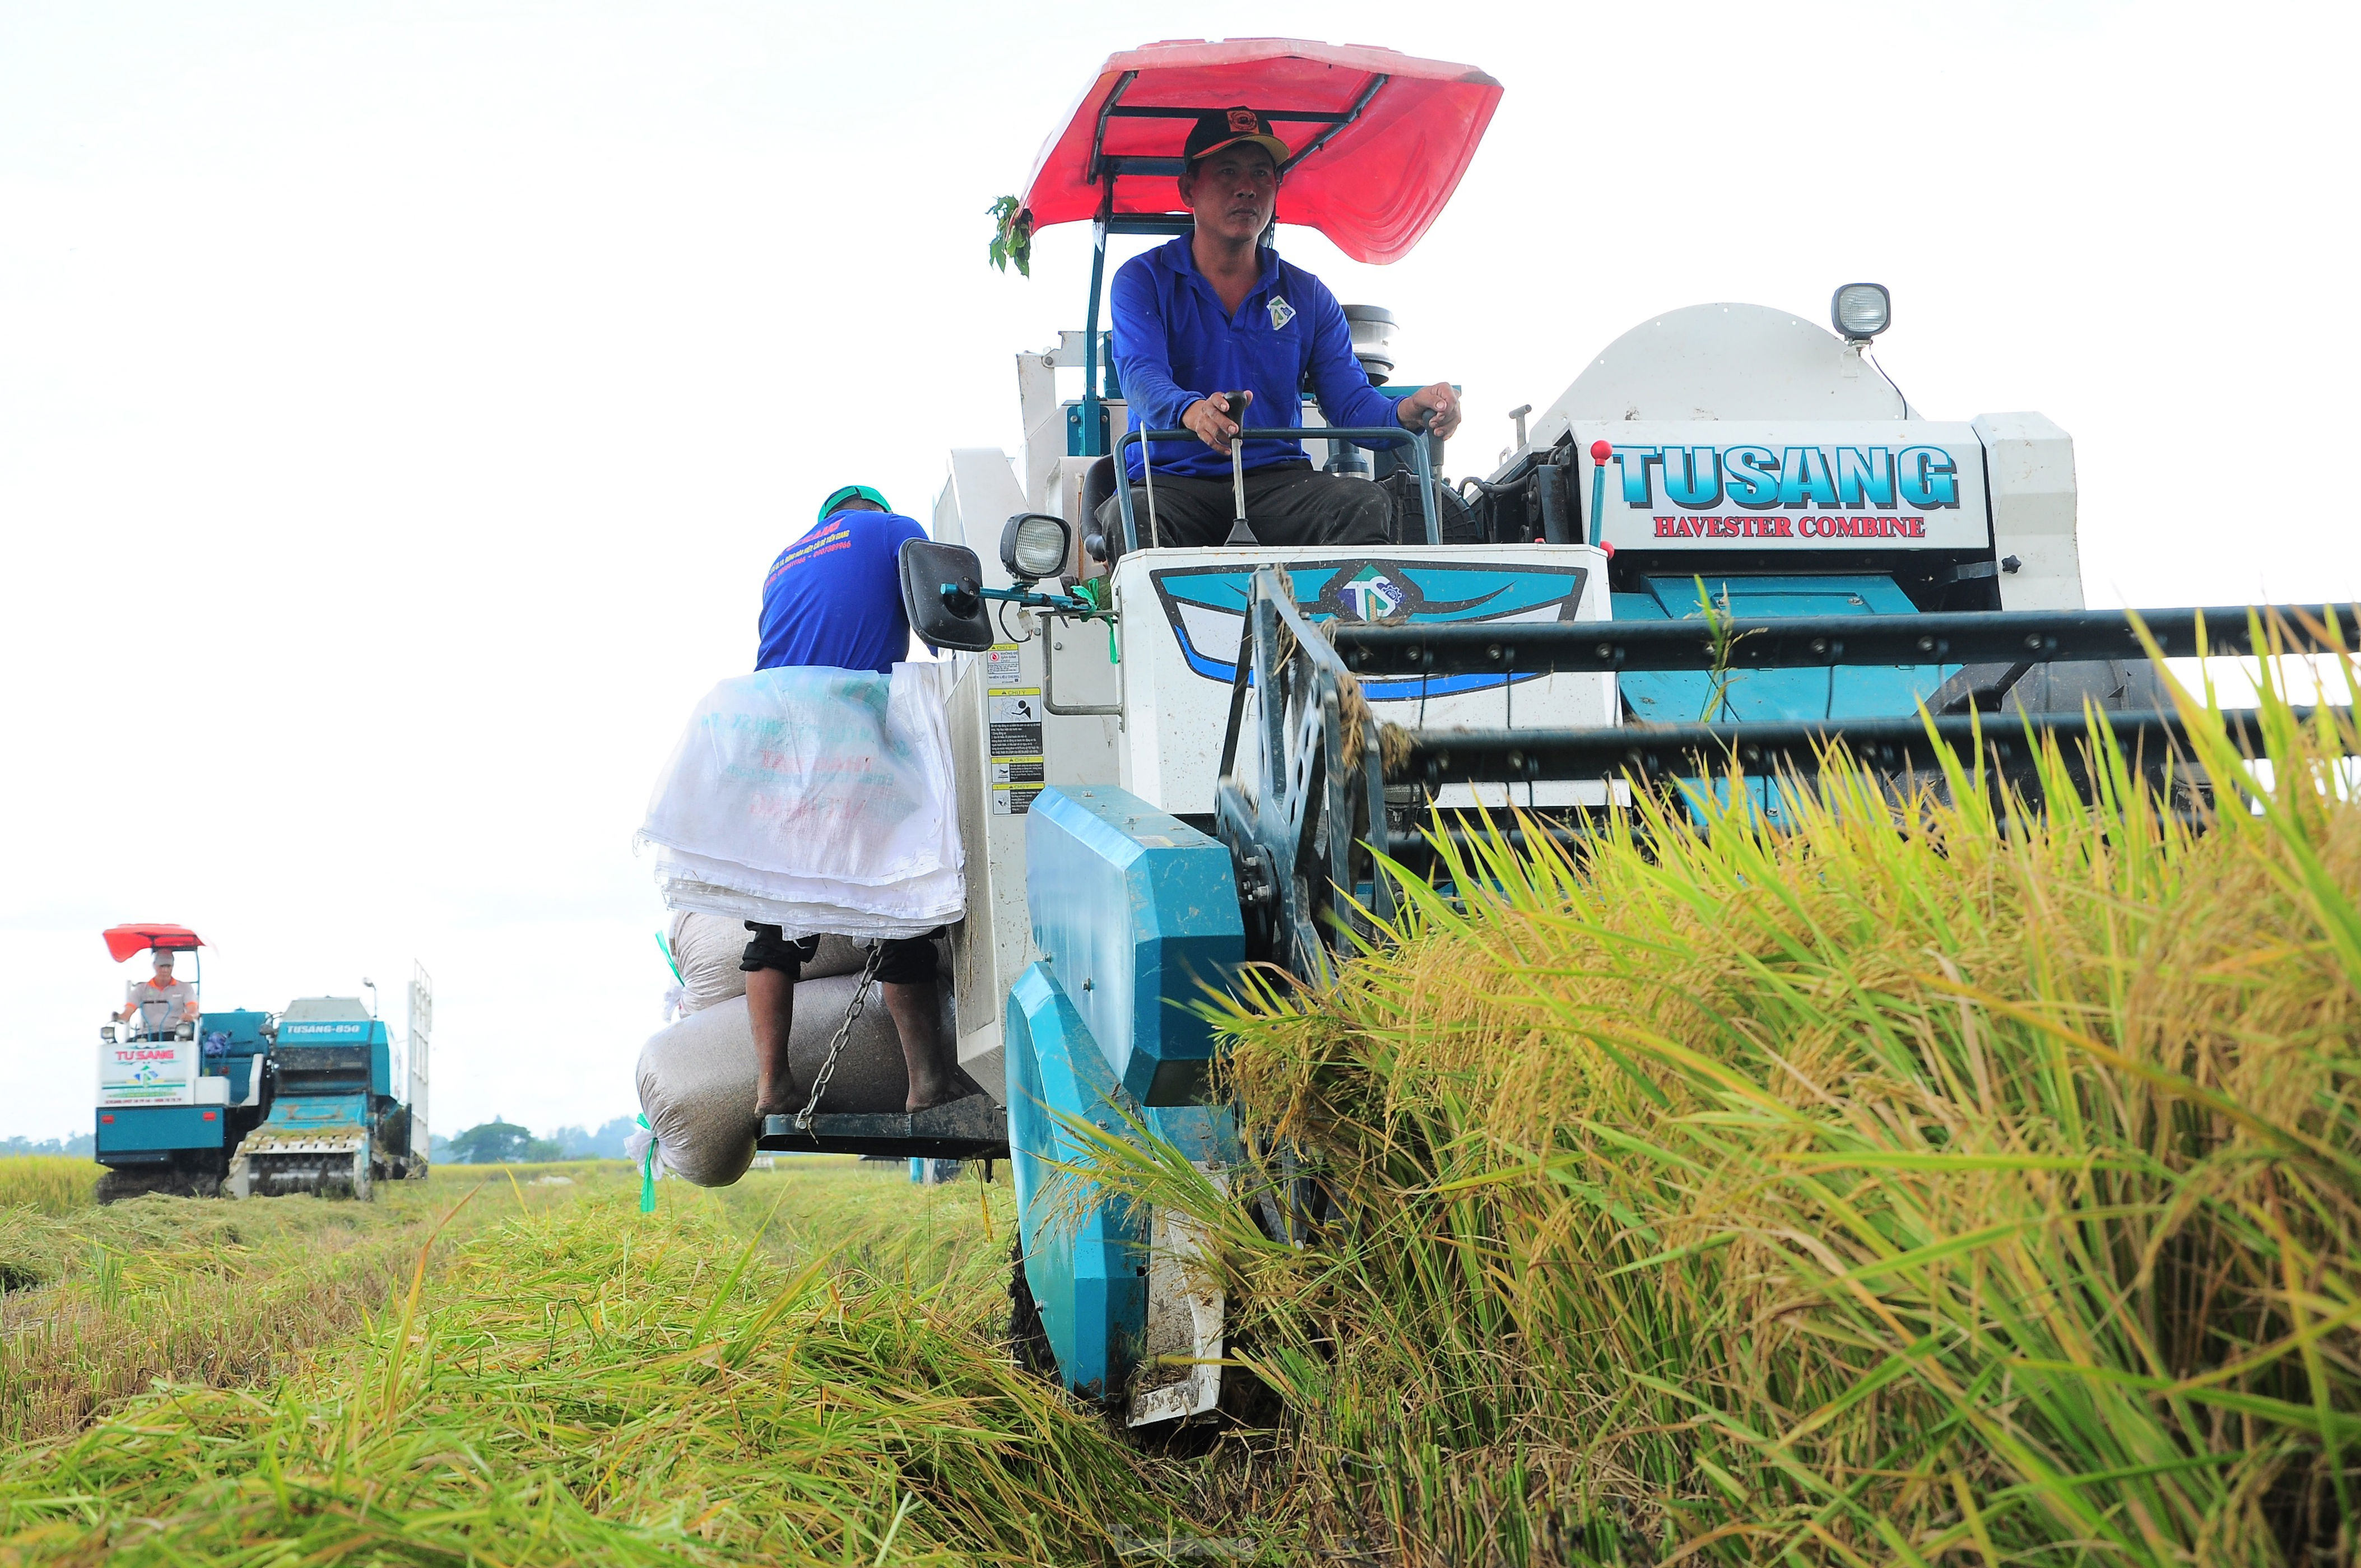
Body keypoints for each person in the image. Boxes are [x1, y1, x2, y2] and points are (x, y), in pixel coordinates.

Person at [1098, 107, 1464, 556]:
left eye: (1261, 174)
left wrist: (1410, 410)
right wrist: (1191, 412)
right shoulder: (1141, 280)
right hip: (1169, 484)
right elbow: (1140, 375)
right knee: (1130, 516)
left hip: (1277, 485)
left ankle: (1330, 629)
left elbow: (1351, 404)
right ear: (1188, 189)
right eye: (1228, 171)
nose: (1247, 188)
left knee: (1363, 502)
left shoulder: (1309, 296)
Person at [741, 482, 963, 1120]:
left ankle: (771, 1085)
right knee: (897, 902)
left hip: (769, 734)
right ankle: (925, 1083)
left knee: (773, 922)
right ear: (875, 512)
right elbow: (945, 610)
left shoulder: (784, 559)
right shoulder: (893, 530)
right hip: (847, 730)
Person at [117, 950, 198, 1039]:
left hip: (175, 1033)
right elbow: (127, 1014)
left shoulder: (185, 987)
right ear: (154, 966)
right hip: (146, 1034)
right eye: (162, 966)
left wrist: (190, 1016)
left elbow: (193, 1011)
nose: (165, 970)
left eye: (168, 966)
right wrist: (118, 1017)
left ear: (173, 967)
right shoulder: (141, 989)